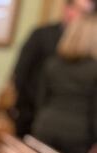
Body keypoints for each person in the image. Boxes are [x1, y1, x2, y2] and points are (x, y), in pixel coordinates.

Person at [10, 0, 94, 138]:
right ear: (67, 9)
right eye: (80, 10)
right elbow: (21, 72)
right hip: (32, 114)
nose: (82, 17)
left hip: (73, 123)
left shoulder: (89, 46)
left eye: (86, 13)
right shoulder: (42, 35)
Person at [32, 14, 97, 153]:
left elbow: (41, 99)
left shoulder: (52, 64)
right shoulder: (94, 69)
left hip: (45, 126)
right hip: (78, 134)